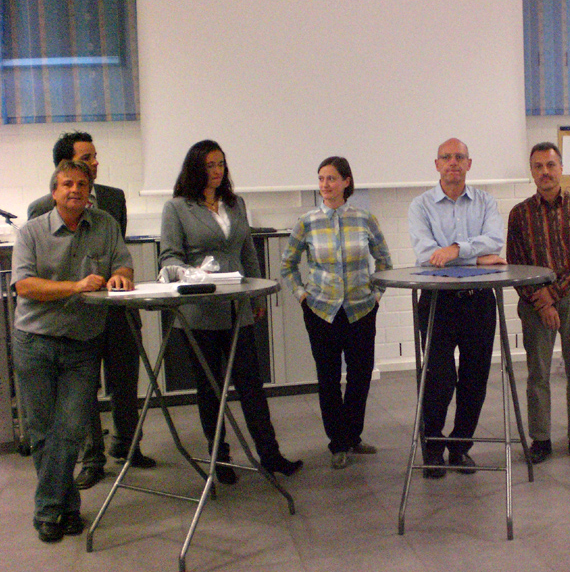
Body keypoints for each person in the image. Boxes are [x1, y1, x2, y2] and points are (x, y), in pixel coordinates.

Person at [159, 140, 302, 483]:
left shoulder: (236, 204)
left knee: (251, 384)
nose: (217, 170)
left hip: (238, 307)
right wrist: (193, 273)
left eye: (221, 163)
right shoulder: (177, 208)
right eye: (210, 165)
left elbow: (247, 253)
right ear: (195, 168)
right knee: (210, 389)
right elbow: (169, 257)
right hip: (200, 310)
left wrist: (257, 298)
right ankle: (219, 460)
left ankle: (270, 454)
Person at [12, 159, 135, 542]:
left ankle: (48, 509)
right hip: (35, 341)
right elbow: (25, 286)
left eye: (82, 184)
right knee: (42, 432)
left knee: (69, 430)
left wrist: (121, 277)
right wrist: (75, 286)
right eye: (67, 184)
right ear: (54, 192)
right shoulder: (31, 232)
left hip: (83, 343)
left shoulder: (105, 225)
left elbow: (124, 265)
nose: (75, 190)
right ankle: (64, 510)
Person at [27, 130, 154, 492]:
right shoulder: (41, 209)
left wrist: (119, 274)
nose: (95, 163)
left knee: (125, 380)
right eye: (87, 158)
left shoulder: (114, 199)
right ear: (63, 168)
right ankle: (92, 458)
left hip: (115, 310)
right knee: (82, 390)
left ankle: (128, 446)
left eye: (96, 157)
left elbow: (117, 252)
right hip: (74, 313)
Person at [281, 156, 392, 470]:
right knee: (328, 379)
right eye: (321, 179)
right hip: (321, 311)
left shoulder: (365, 219)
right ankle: (338, 443)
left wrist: (376, 296)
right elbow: (288, 265)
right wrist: (302, 295)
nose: (325, 185)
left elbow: (384, 262)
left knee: (360, 376)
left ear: (346, 181)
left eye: (331, 178)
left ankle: (353, 436)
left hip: (360, 310)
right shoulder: (307, 222)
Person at [407, 137, 506, 478]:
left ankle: (461, 447)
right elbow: (426, 254)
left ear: (469, 164)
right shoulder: (420, 205)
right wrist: (474, 257)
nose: (453, 162)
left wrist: (453, 250)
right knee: (439, 378)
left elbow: (495, 240)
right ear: (437, 164)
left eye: (459, 157)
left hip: (479, 300)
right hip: (438, 300)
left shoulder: (486, 202)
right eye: (446, 157)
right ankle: (433, 449)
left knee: (475, 378)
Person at [507, 142, 570, 464]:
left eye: (550, 165)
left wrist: (555, 293)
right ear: (532, 171)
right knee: (538, 373)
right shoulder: (519, 214)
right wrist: (543, 303)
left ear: (561, 168)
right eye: (538, 166)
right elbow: (515, 263)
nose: (544, 172)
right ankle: (541, 439)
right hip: (535, 301)